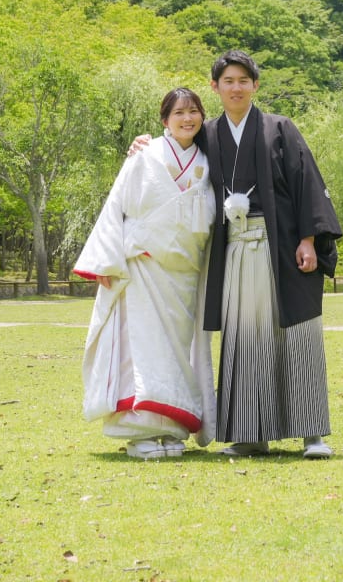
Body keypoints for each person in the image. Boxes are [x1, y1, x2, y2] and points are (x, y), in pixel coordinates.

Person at [130, 50, 342, 458]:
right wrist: (143, 144)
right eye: (228, 81)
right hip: (234, 251)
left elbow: (306, 183)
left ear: (255, 86)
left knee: (297, 334)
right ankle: (249, 433)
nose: (236, 87)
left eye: (244, 80)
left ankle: (312, 433)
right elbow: (175, 151)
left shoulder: (280, 129)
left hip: (281, 247)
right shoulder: (208, 134)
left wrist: (309, 240)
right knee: (243, 339)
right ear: (215, 87)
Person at [73, 87, 216, 460]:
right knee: (142, 350)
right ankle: (140, 433)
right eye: (179, 112)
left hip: (184, 274)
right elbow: (116, 206)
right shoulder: (144, 155)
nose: (188, 118)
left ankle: (172, 430)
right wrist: (106, 260)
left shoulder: (209, 159)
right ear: (164, 120)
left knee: (177, 354)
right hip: (144, 268)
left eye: (194, 111)